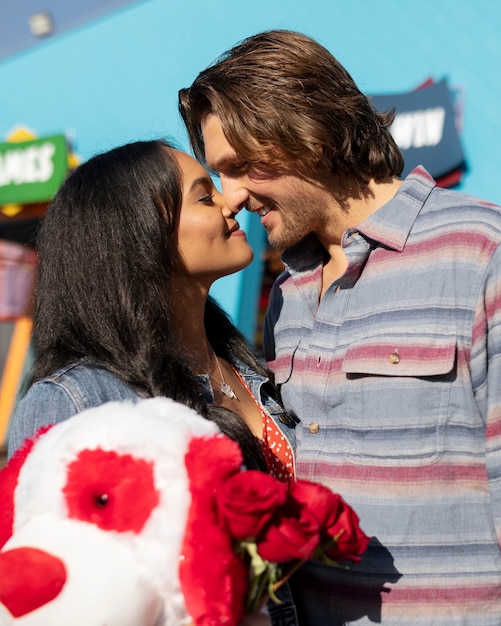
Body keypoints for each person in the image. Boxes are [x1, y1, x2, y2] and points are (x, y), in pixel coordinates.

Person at [178, 28, 501, 626]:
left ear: (307, 131)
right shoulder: (288, 293)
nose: (233, 196)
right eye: (220, 173)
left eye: (243, 165)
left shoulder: (481, 250)